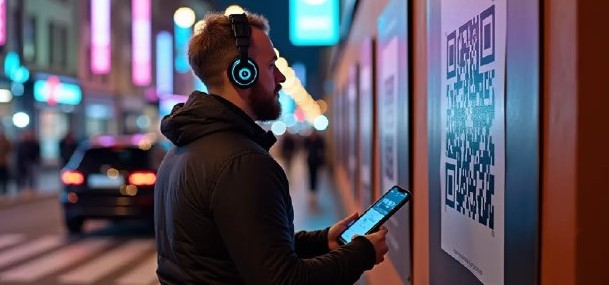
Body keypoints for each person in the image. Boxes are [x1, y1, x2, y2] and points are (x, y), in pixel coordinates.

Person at [154, 12, 388, 285]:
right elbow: (285, 280)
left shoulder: (179, 150)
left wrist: (322, 241)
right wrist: (362, 253)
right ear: (243, 73)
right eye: (270, 66)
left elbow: (244, 247)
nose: (280, 78)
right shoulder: (243, 163)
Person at [303, 130, 326, 199]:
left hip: (317, 161)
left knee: (315, 175)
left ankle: (315, 189)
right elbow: (305, 150)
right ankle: (311, 189)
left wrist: (322, 160)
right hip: (310, 160)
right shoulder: (307, 140)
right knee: (310, 175)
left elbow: (323, 151)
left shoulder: (320, 141)